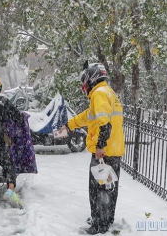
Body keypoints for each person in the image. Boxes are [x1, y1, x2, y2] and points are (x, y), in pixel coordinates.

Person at [58, 60, 125, 235]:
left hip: (103, 151)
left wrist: (100, 146)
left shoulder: (99, 94)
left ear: (91, 78)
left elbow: (104, 123)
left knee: (98, 189)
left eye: (84, 80)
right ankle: (105, 219)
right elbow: (90, 116)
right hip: (114, 150)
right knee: (109, 187)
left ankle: (99, 225)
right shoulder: (108, 93)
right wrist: (69, 125)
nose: (83, 85)